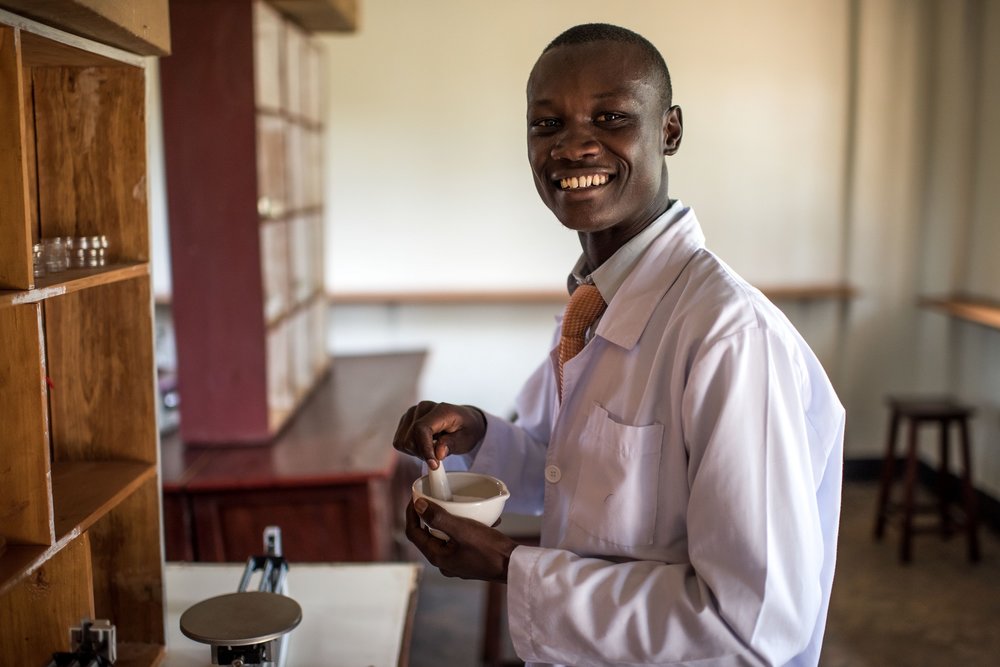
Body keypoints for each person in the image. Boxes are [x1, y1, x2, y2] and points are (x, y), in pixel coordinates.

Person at [393, 22, 844, 667]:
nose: (574, 147)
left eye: (610, 116)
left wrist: (513, 567)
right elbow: (568, 469)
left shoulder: (728, 337)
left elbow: (751, 628)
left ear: (670, 129)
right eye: (547, 125)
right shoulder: (594, 302)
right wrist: (477, 432)